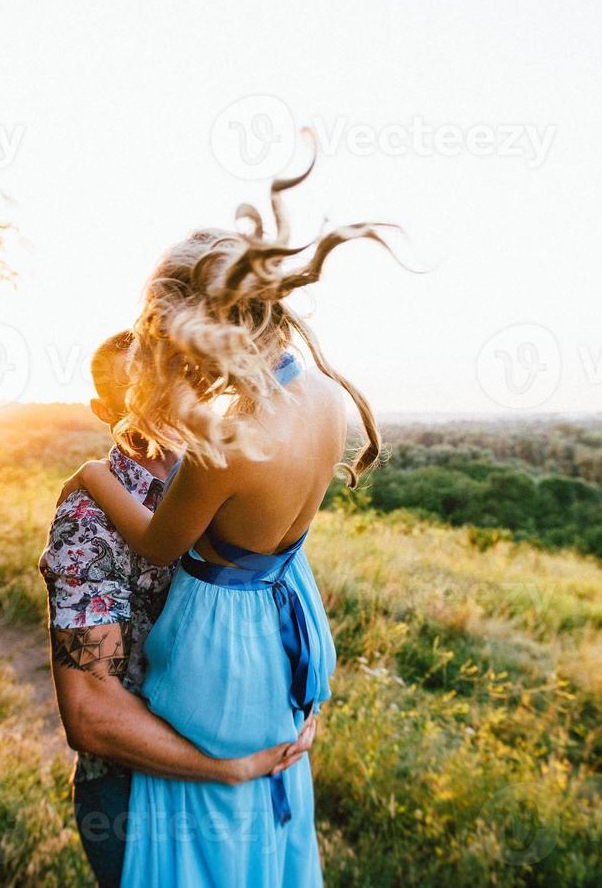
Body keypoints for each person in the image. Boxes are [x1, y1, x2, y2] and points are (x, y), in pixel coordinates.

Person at [70, 151, 401, 886]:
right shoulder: (320, 396)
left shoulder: (235, 441)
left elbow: (159, 544)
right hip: (284, 617)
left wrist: (92, 474)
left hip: (223, 641)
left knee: (200, 831)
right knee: (258, 827)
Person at [40, 330, 315, 888]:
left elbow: (280, 606)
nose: (163, 400)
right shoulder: (87, 525)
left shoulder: (234, 481)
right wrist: (228, 769)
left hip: (261, 774)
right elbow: (91, 715)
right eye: (139, 389)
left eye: (177, 378)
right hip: (143, 793)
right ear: (103, 409)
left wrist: (299, 707)